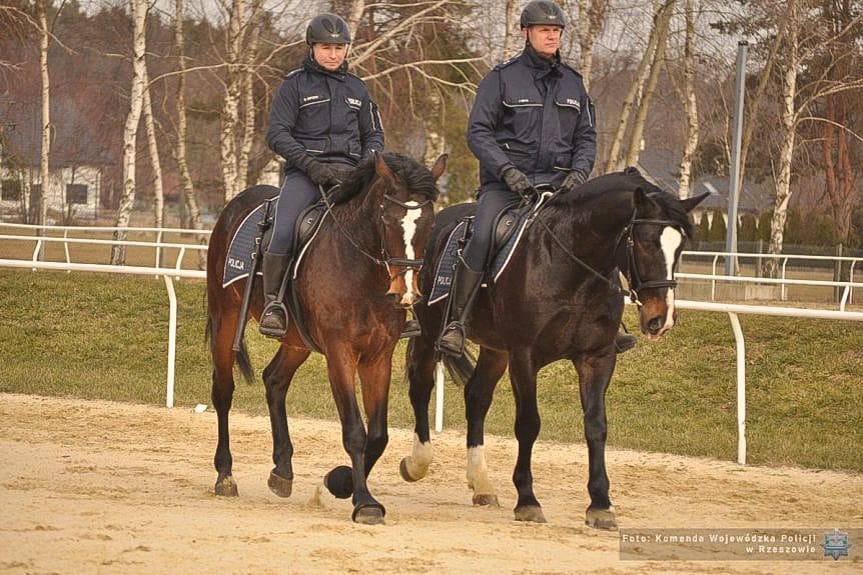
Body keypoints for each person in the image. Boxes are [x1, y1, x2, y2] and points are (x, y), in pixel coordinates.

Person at [437, 0, 636, 356]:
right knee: (482, 235)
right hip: (507, 187)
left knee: (598, 236)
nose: (552, 36)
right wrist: (508, 171)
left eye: (557, 31)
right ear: (526, 32)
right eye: (545, 30)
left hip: (560, 187)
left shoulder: (573, 84)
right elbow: (478, 132)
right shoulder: (501, 79)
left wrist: (578, 173)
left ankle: (608, 322)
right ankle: (457, 321)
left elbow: (586, 136)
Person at [260, 12, 384, 338]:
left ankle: (396, 302)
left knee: (388, 221)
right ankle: (274, 303)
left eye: (339, 47)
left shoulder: (359, 88)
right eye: (326, 47)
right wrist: (311, 165)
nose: (333, 54)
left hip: (352, 175)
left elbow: (374, 136)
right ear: (312, 47)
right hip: (306, 174)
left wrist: (364, 166)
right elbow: (278, 134)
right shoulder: (294, 85)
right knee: (284, 227)